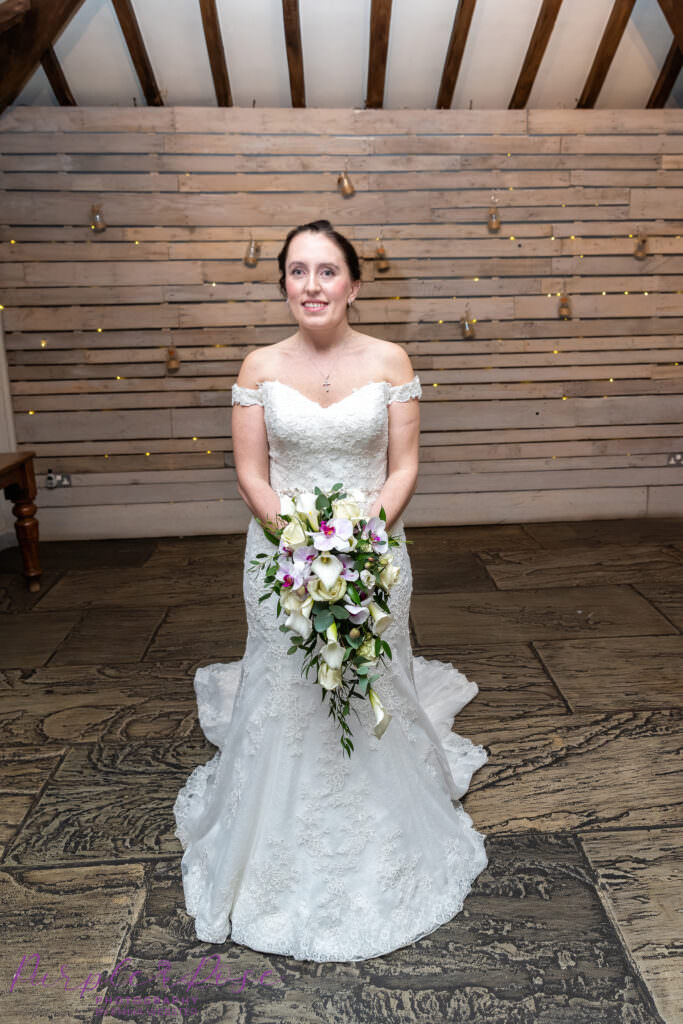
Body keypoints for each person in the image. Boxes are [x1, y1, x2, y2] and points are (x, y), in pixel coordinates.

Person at [173, 219, 489, 962]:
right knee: (289, 681)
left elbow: (403, 466)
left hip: (374, 546)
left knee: (371, 671)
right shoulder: (257, 366)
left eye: (325, 271)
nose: (310, 287)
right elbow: (252, 474)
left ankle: (388, 806)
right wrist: (304, 540)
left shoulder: (388, 359)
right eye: (295, 272)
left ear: (352, 282)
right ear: (283, 282)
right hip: (279, 549)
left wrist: (357, 541)